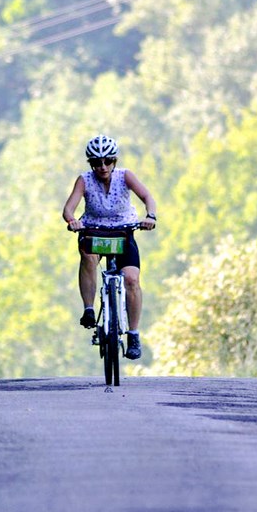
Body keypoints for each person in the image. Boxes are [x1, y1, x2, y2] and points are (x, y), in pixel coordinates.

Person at [62, 135, 157, 360]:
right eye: (96, 162)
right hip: (94, 230)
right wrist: (72, 221)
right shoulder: (84, 180)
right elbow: (68, 208)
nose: (102, 167)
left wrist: (150, 216)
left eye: (107, 161)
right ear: (91, 164)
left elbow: (146, 196)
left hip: (123, 231)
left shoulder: (126, 176)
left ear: (114, 161)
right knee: (87, 256)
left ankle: (133, 335)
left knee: (132, 279)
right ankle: (88, 309)